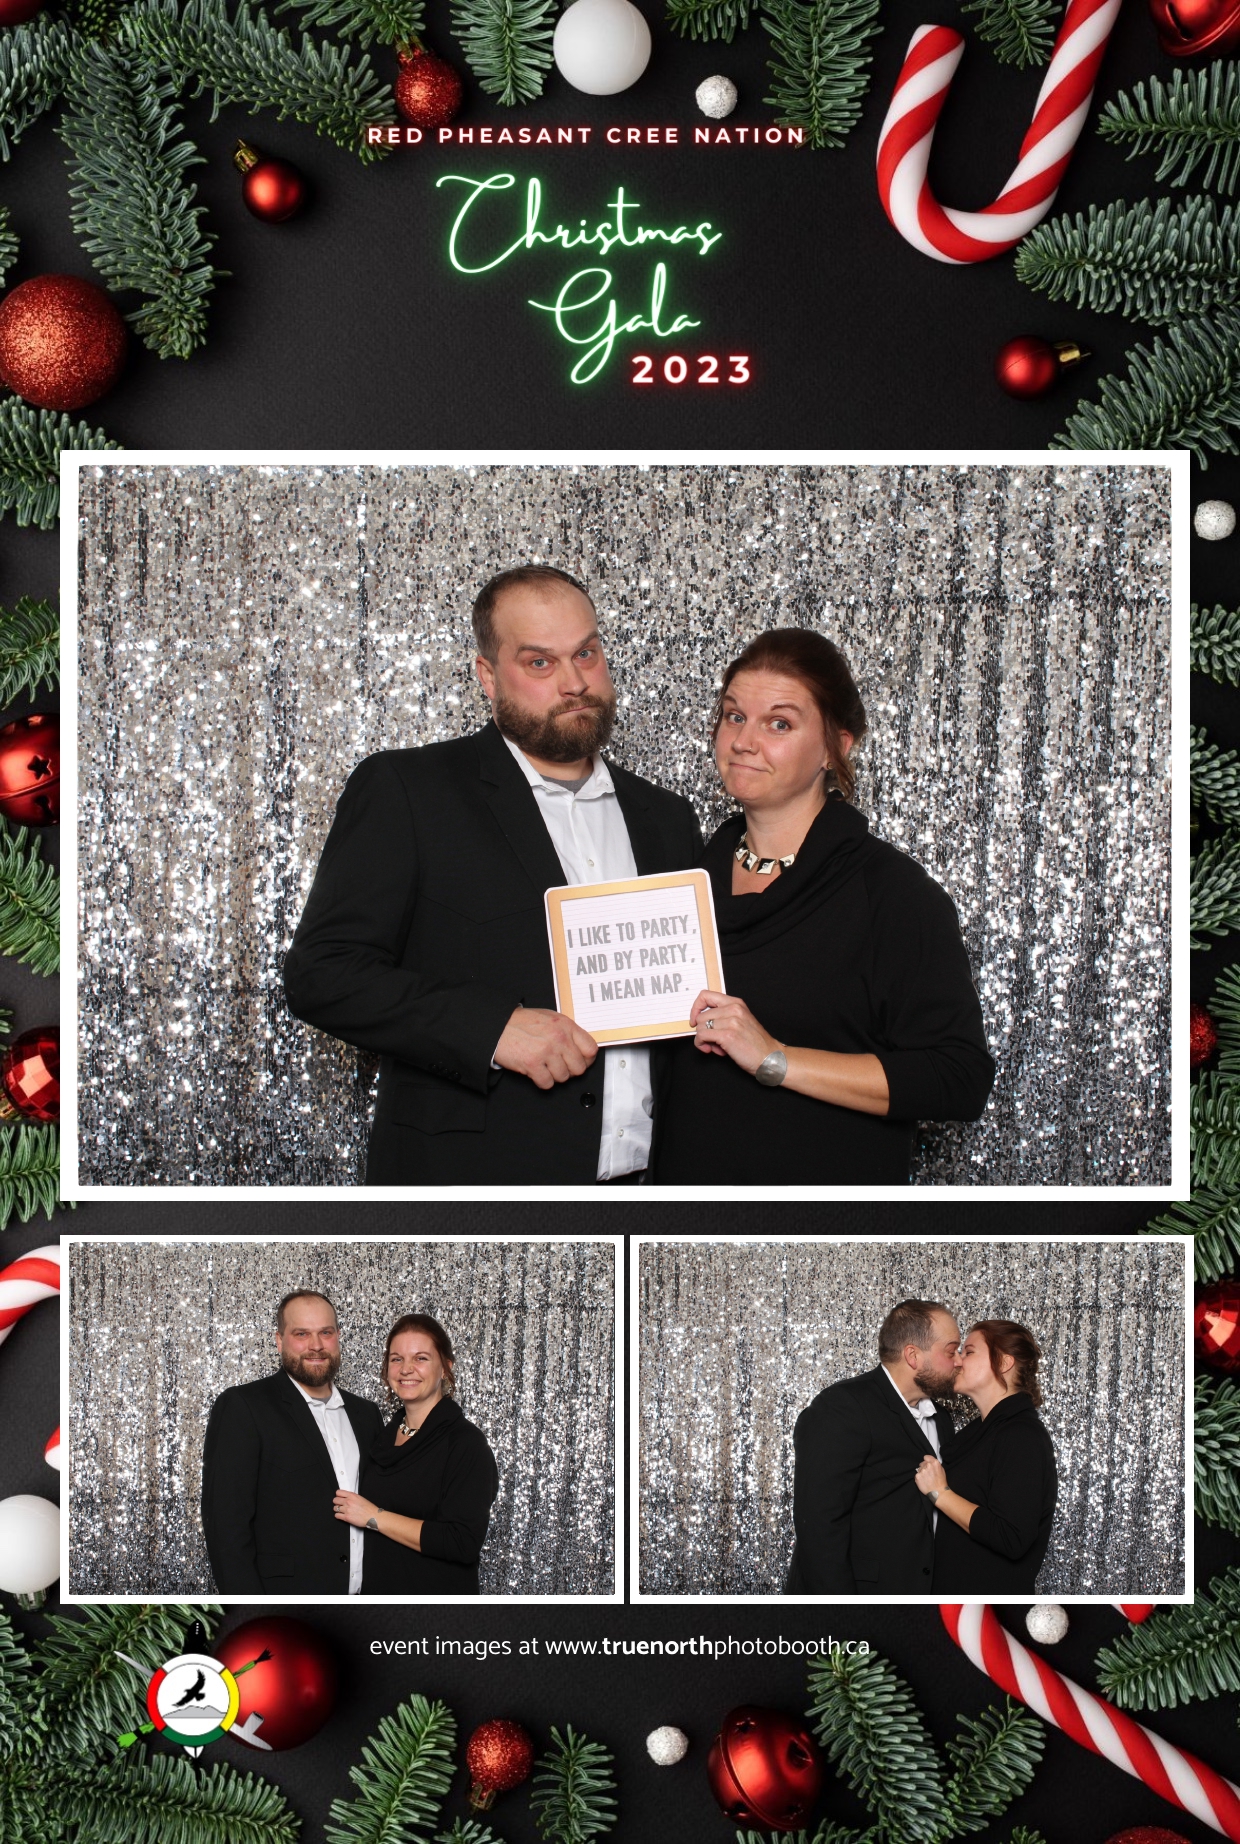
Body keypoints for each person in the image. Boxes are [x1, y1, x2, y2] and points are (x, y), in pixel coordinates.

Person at [283, 565, 701, 1184]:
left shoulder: (666, 818)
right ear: (487, 675)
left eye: (586, 654)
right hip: (478, 1188)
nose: (574, 683)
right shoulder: (409, 791)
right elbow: (322, 974)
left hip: (649, 1189)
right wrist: (491, 1029)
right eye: (540, 662)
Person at [650, 628, 995, 1184]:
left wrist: (775, 1058)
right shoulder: (679, 885)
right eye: (734, 716)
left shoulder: (892, 894)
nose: (743, 741)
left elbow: (958, 1077)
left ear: (837, 746)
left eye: (779, 724)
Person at [200, 1290, 383, 1595]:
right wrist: (255, 1614)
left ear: (338, 1337)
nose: (316, 1345)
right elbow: (226, 1530)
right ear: (279, 1340)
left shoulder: (366, 1415)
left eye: (326, 1333)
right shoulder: (244, 1406)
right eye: (302, 1334)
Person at [785, 1299, 961, 1594]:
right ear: (913, 1356)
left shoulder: (941, 1417)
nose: (959, 1361)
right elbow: (819, 1527)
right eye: (951, 1350)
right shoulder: (843, 1407)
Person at [332, 1314, 499, 1595]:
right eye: (397, 1359)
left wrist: (374, 1517)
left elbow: (462, 1542)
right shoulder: (379, 1437)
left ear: (445, 1367)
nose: (406, 1369)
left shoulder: (465, 1443)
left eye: (420, 1358)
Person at [915, 1319, 1058, 1593]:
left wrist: (940, 1494)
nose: (957, 1361)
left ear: (1003, 1363)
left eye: (968, 1352)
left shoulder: (1021, 1435)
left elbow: (1011, 1537)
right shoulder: (982, 1433)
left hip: (988, 1606)